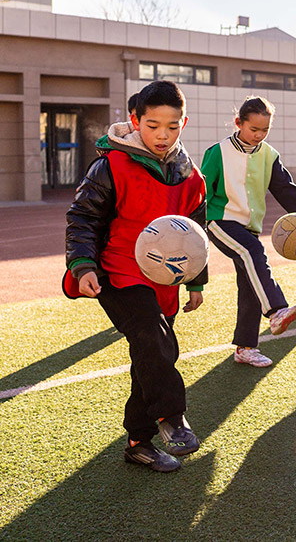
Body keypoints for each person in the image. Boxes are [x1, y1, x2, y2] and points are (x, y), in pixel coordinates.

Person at [63, 80, 207, 472]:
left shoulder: (190, 175)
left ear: (183, 123)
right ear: (135, 120)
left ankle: (138, 443)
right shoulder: (110, 165)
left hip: (164, 279)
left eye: (172, 126)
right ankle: (171, 415)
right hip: (117, 272)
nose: (163, 134)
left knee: (155, 354)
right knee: (152, 339)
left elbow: (196, 233)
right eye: (153, 125)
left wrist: (196, 281)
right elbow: (83, 217)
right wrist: (83, 265)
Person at [201, 96, 296, 368]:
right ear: (238, 123)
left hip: (249, 228)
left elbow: (287, 191)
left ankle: (245, 348)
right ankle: (276, 310)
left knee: (250, 284)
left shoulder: (269, 155)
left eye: (265, 130)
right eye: (254, 129)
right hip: (219, 221)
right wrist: (193, 227)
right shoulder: (217, 152)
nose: (259, 135)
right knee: (253, 251)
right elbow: (201, 193)